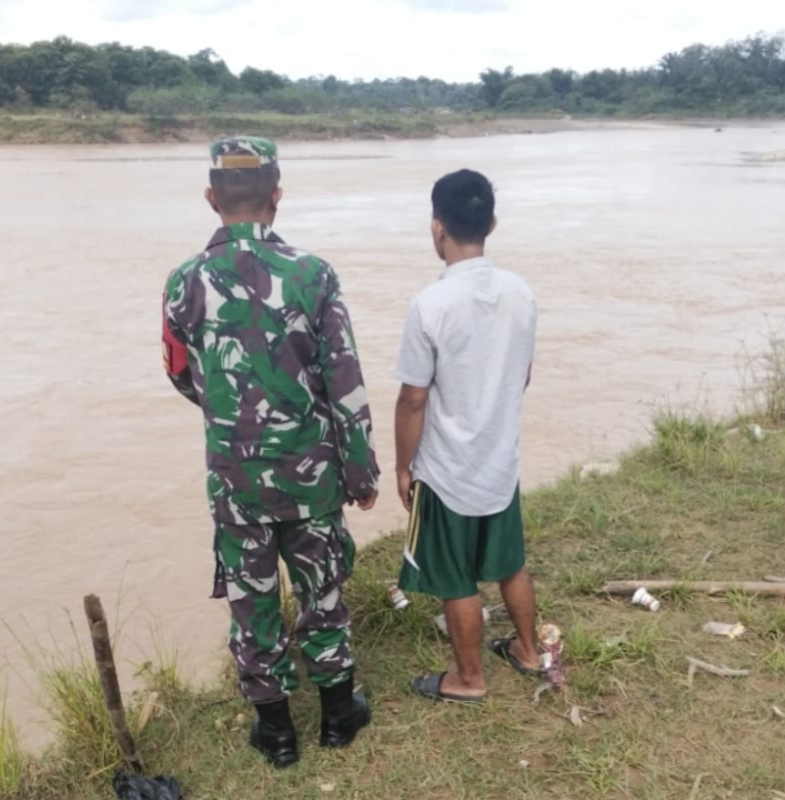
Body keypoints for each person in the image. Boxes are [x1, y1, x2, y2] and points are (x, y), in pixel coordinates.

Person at [162, 136, 379, 767]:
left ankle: (277, 732)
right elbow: (345, 378)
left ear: (211, 199)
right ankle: (339, 715)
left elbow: (179, 371)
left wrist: (228, 411)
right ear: (276, 197)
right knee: (323, 590)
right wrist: (359, 468)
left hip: (236, 479)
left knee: (251, 599)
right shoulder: (313, 275)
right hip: (311, 474)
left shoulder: (183, 282)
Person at [393, 168, 541, 704]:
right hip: (500, 461)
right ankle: (528, 651)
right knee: (510, 563)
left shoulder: (429, 305)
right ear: (492, 223)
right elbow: (522, 375)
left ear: (437, 229)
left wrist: (403, 467)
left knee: (455, 577)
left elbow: (413, 398)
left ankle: (469, 679)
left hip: (447, 467)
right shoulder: (521, 293)